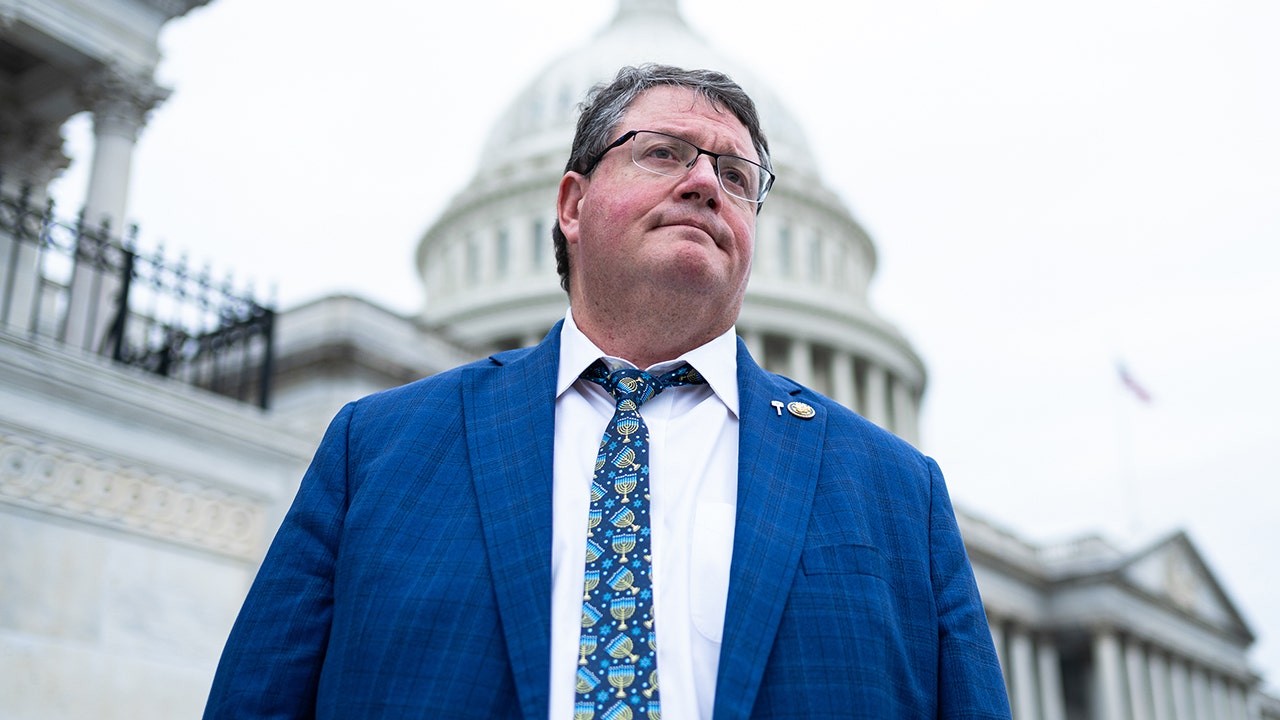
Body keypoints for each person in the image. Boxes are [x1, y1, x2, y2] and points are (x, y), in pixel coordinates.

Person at [204, 63, 1011, 720]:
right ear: (572, 204)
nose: (705, 183)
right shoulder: (378, 451)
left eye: (736, 175)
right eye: (663, 153)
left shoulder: (898, 492)